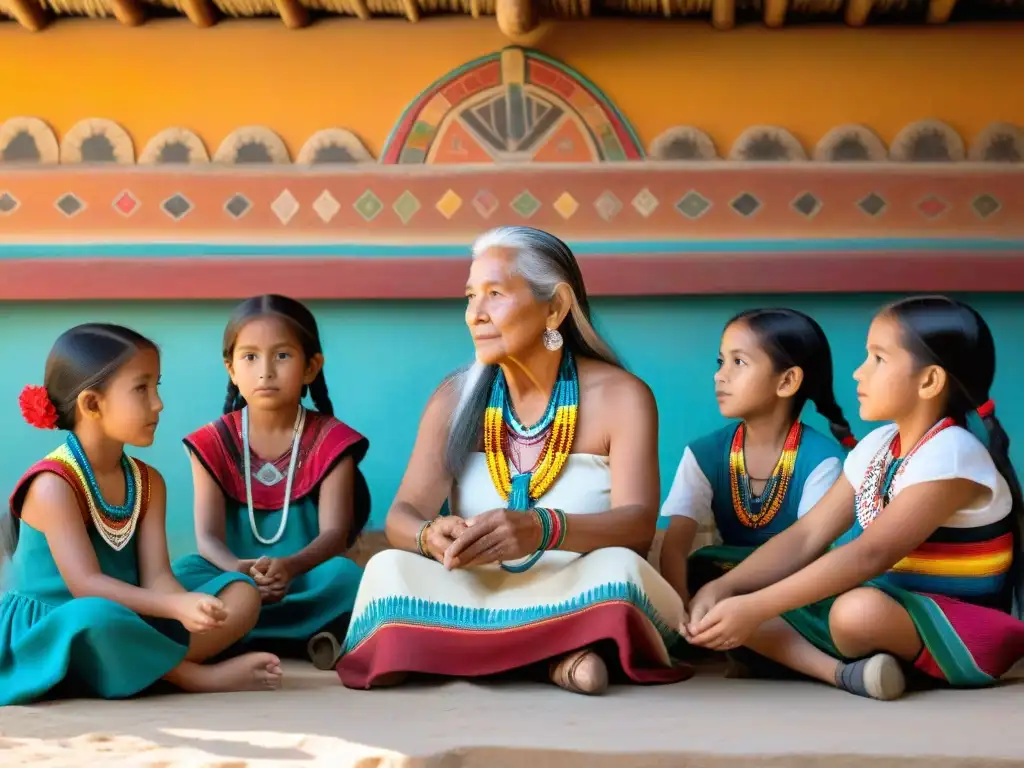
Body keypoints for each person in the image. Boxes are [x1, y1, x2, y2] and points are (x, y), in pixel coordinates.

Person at [337, 226, 689, 696]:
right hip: (471, 589)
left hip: (574, 587)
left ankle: (464, 654)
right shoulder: (453, 399)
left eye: (495, 294)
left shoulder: (622, 396)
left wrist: (543, 529)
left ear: (556, 308)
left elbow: (638, 525)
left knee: (620, 574)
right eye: (470, 296)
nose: (474, 315)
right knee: (386, 569)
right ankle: (555, 658)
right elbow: (403, 515)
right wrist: (429, 536)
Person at [685, 296, 1024, 700]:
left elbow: (870, 554)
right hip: (885, 605)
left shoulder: (952, 451)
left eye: (878, 359)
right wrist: (730, 590)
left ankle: (841, 660)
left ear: (929, 380)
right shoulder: (880, 444)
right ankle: (846, 673)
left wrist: (756, 608)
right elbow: (807, 535)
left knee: (854, 612)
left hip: (962, 628)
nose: (859, 372)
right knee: (720, 577)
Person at [0, 324, 281, 706]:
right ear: (92, 405)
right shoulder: (54, 485)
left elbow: (157, 577)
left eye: (157, 387)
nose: (158, 403)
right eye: (142, 389)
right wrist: (172, 608)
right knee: (96, 616)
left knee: (238, 590)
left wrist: (189, 607)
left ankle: (138, 661)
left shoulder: (148, 482)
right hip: (61, 624)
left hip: (127, 612)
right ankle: (191, 675)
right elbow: (87, 586)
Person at [173, 296, 370, 670]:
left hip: (304, 580)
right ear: (231, 369)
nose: (265, 371)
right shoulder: (210, 443)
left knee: (346, 577)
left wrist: (291, 567)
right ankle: (312, 639)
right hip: (232, 578)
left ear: (311, 367)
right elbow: (208, 538)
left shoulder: (332, 440)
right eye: (249, 357)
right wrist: (237, 571)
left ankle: (231, 639)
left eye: (282, 356)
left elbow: (334, 534)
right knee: (184, 572)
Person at [660, 308, 855, 609]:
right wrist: (681, 609)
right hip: (715, 585)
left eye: (738, 362)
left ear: (787, 381)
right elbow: (674, 547)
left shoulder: (822, 461)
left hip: (789, 593)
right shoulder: (704, 453)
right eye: (721, 361)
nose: (719, 375)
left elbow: (806, 548)